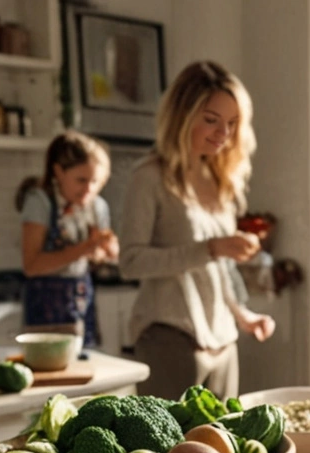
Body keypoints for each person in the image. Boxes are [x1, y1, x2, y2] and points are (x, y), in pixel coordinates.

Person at [119, 60, 275, 400]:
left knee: (223, 450)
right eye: (211, 120)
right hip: (169, 338)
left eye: (233, 123)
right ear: (181, 115)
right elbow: (130, 261)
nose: (224, 134)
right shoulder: (148, 178)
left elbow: (221, 270)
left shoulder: (220, 178)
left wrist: (243, 314)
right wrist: (211, 248)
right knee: (173, 452)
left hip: (223, 342)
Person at [15, 131, 118, 346]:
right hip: (45, 306)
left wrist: (105, 251)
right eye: (81, 180)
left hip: (82, 300)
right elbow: (31, 265)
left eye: (95, 181)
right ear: (59, 172)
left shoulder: (97, 206)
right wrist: (84, 248)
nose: (88, 190)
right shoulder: (40, 201)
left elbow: (97, 256)